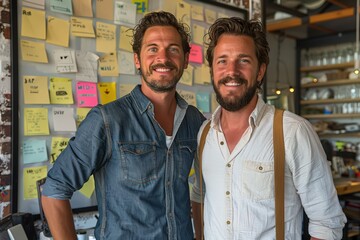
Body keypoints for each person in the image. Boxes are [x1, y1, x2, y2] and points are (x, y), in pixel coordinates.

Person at [42, 11, 205, 240]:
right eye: (152, 49)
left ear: (185, 59)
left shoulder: (195, 121)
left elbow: (203, 189)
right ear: (137, 59)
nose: (163, 57)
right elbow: (55, 189)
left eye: (173, 49)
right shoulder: (107, 120)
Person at [190, 17, 346, 240]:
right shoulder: (204, 134)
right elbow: (199, 195)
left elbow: (327, 222)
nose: (231, 71)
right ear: (212, 70)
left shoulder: (293, 132)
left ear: (260, 71)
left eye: (243, 60)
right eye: (222, 61)